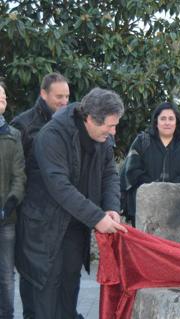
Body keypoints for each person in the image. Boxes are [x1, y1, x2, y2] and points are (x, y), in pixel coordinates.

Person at [15, 88, 127, 319]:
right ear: (89, 118)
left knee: (69, 288)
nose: (113, 131)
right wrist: (97, 218)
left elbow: (110, 174)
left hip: (75, 225)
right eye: (110, 125)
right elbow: (59, 186)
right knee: (45, 296)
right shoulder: (53, 136)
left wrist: (111, 208)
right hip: (44, 227)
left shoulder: (103, 137)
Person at [10, 72, 69, 319]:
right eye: (58, 96)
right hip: (32, 216)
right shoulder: (22, 124)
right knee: (33, 278)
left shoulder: (71, 123)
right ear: (43, 94)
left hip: (63, 215)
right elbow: (16, 172)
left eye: (67, 96)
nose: (64, 102)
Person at [123, 102, 180, 225]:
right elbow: (132, 171)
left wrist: (167, 192)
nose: (167, 122)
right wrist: (154, 189)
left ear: (176, 123)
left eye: (171, 119)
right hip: (144, 209)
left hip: (175, 211)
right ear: (156, 122)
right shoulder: (142, 142)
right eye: (163, 118)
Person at [0, 82, 26, 319]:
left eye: (4, 98)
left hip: (6, 219)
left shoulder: (13, 135)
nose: (2, 102)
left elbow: (20, 176)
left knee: (6, 275)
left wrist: (9, 205)